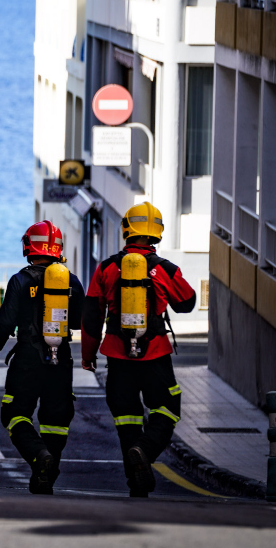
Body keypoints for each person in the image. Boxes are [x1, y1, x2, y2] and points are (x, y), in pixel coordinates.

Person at [81, 202, 197, 497]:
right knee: (167, 409)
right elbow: (187, 303)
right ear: (156, 232)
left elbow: (92, 316)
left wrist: (88, 355)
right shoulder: (164, 269)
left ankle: (137, 483)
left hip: (118, 357)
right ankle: (143, 451)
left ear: (126, 230)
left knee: (127, 420)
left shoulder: (107, 268)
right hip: (155, 353)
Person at [0, 220, 85, 495]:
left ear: (29, 246)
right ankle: (46, 476)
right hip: (61, 360)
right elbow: (79, 322)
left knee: (14, 414)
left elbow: (5, 322)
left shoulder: (20, 280)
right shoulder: (72, 281)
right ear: (58, 249)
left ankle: (39, 456)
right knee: (56, 421)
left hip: (28, 358)